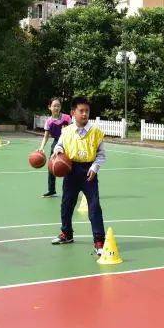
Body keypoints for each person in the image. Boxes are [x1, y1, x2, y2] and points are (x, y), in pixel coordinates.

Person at [50, 96, 107, 255]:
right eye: (81, 111)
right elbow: (59, 146)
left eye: (87, 111)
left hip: (89, 172)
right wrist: (58, 151)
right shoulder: (66, 131)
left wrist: (95, 167)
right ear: (73, 112)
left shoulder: (96, 132)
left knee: (94, 206)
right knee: (66, 204)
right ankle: (66, 234)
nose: (84, 114)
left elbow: (101, 154)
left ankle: (99, 240)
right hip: (71, 170)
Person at [37, 98, 72, 198]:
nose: (56, 107)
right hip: (56, 143)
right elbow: (46, 136)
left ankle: (70, 190)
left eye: (58, 105)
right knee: (51, 167)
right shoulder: (48, 121)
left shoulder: (67, 118)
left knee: (68, 167)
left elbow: (74, 131)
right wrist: (41, 147)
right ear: (49, 107)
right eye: (54, 106)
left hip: (68, 144)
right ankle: (51, 190)